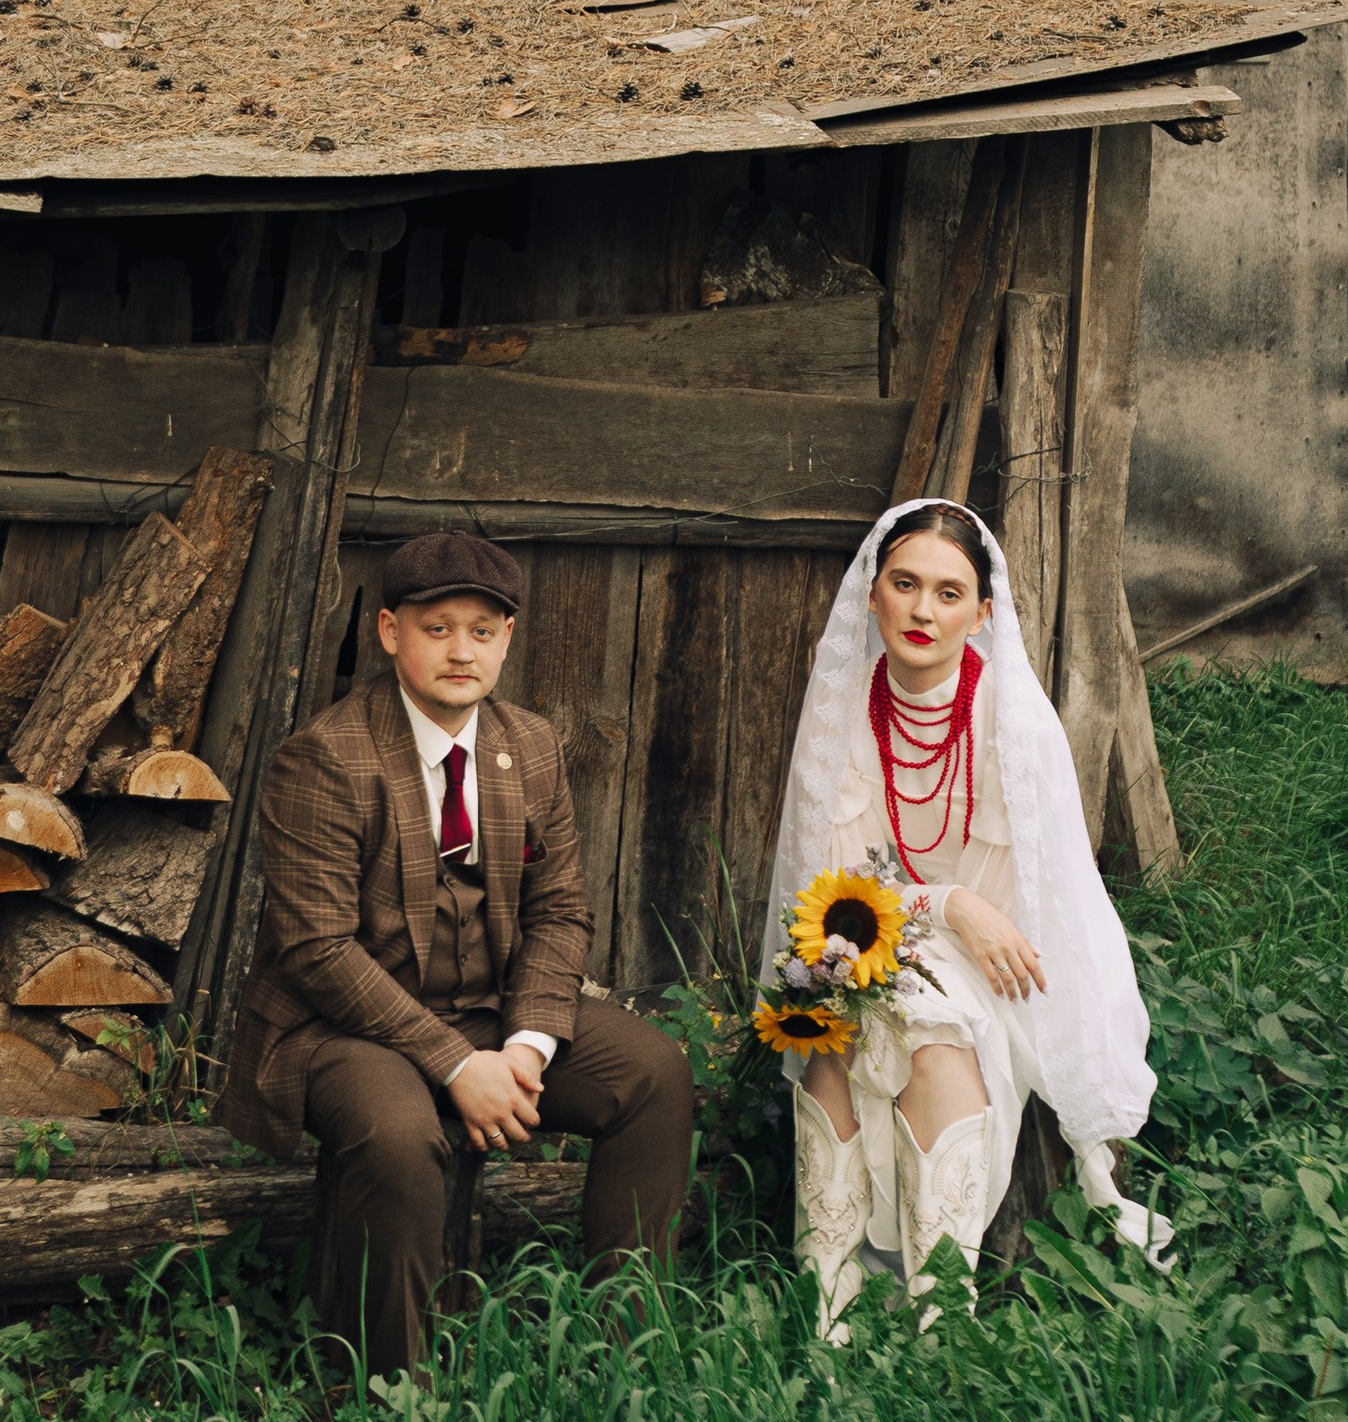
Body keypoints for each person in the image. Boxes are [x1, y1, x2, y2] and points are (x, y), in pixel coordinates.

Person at [222, 527, 696, 1376]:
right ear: (389, 631)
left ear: (507, 639)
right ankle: (390, 1392)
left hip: (491, 1009)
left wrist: (525, 1045)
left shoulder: (532, 746)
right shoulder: (326, 759)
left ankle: (629, 1351)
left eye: (481, 630)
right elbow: (317, 951)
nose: (459, 650)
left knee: (652, 1073)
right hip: (346, 1029)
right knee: (400, 1136)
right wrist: (452, 1063)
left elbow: (560, 910)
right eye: (436, 627)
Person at [767, 494, 1168, 1336]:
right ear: (872, 594)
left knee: (934, 1028)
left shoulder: (1012, 723)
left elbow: (1035, 910)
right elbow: (832, 888)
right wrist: (945, 903)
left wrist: (951, 925)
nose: (922, 610)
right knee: (830, 1032)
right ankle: (827, 1298)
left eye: (949, 593)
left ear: (983, 612)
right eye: (905, 584)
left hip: (1003, 966)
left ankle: (939, 1309)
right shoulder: (844, 709)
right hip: (866, 937)